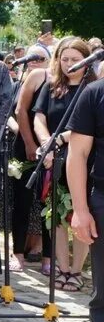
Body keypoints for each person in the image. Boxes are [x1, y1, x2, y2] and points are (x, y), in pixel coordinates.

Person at [34, 37, 92, 292]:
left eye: (75, 60)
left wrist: (59, 140)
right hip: (53, 158)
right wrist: (47, 142)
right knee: (56, 216)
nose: (69, 64)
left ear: (86, 61)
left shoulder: (92, 88)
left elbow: (84, 126)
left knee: (80, 214)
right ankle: (62, 269)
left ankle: (77, 270)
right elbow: (39, 116)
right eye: (65, 59)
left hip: (83, 160)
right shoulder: (51, 86)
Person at [65, 72, 104, 322]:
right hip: (103, 199)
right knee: (103, 294)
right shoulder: (95, 93)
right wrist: (80, 209)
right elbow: (76, 154)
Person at [13, 46, 51, 271]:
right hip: (28, 146)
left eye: (42, 58)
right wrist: (29, 143)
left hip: (55, 149)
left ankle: (49, 257)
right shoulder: (38, 77)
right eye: (34, 58)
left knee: (51, 204)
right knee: (23, 200)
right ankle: (18, 253)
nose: (36, 62)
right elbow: (20, 110)